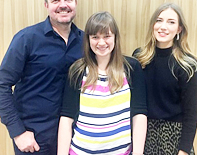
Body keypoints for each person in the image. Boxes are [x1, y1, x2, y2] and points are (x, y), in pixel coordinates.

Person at [0, 0, 84, 155]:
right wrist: (18, 132)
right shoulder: (27, 39)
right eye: (55, 1)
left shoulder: (86, 41)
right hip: (34, 140)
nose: (63, 5)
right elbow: (2, 84)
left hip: (74, 138)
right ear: (46, 5)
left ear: (75, 3)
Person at [57, 11, 147, 155]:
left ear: (115, 38)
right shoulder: (77, 70)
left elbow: (139, 114)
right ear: (88, 40)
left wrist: (138, 152)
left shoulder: (131, 68)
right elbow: (67, 118)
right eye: (95, 37)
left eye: (107, 36)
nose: (101, 42)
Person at [133, 3, 197, 155]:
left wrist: (183, 151)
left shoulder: (188, 65)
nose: (163, 27)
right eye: (159, 20)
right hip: (143, 134)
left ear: (179, 29)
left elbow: (192, 114)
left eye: (171, 22)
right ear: (153, 25)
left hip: (175, 137)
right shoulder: (139, 58)